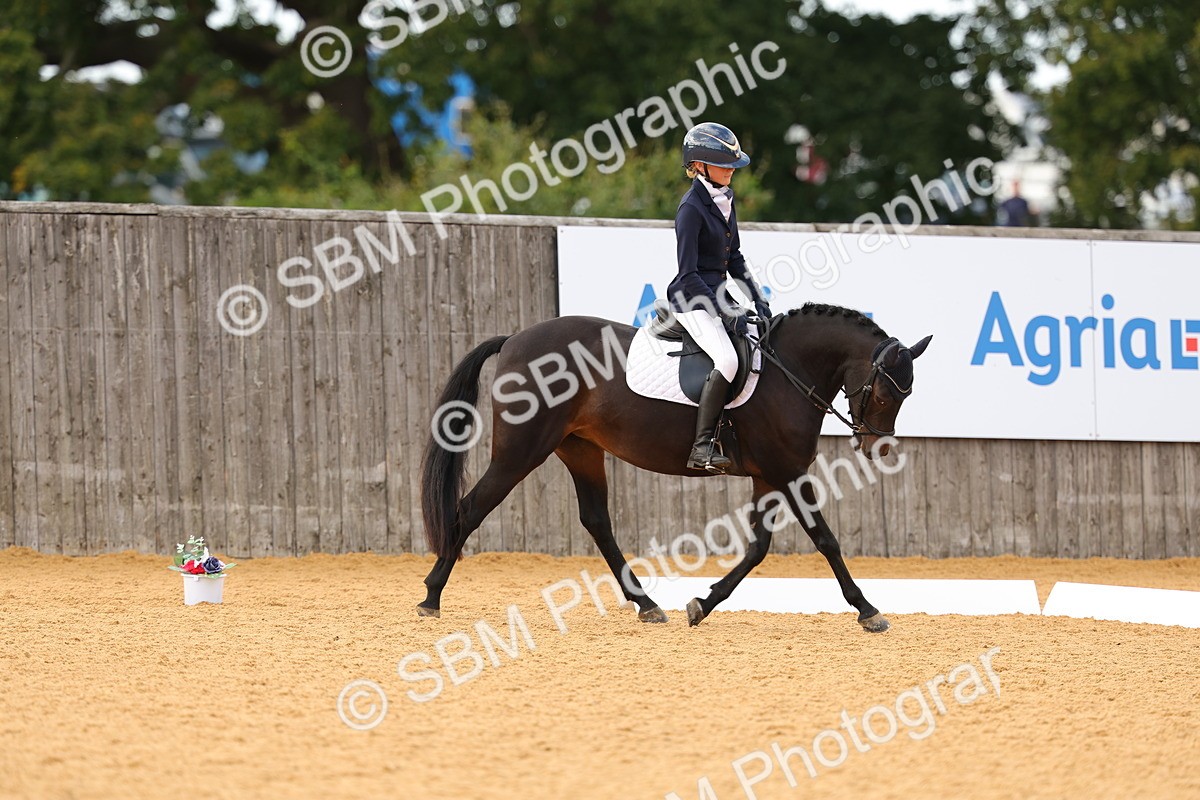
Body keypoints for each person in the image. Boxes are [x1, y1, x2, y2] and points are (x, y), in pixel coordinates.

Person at [667, 122, 771, 473]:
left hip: (717, 291)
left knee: (759, 343)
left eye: (732, 166)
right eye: (724, 165)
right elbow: (688, 274)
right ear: (699, 165)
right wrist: (725, 313)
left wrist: (758, 299)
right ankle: (702, 447)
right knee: (726, 360)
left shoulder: (725, 200)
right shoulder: (691, 209)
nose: (731, 171)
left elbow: (735, 258)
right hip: (690, 298)